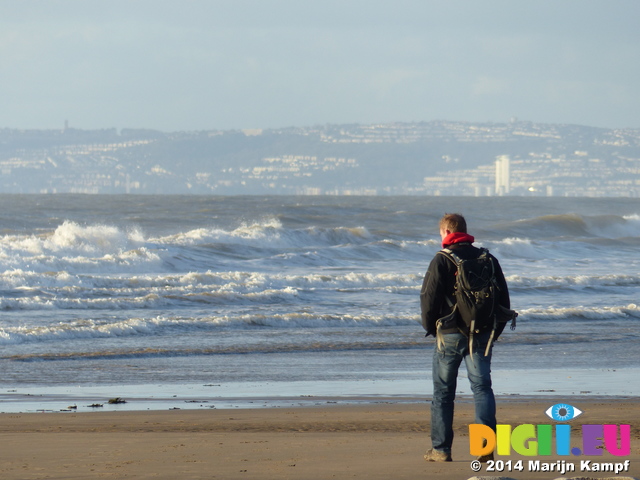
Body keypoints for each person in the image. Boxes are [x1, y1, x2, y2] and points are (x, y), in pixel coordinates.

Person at [420, 213, 511, 462]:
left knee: (443, 393)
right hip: (482, 333)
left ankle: (441, 450)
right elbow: (503, 300)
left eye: (440, 234)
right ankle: (485, 449)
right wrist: (495, 331)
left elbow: (428, 299)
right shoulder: (487, 258)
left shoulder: (442, 259)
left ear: (446, 232)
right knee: (482, 389)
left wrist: (431, 328)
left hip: (449, 334)